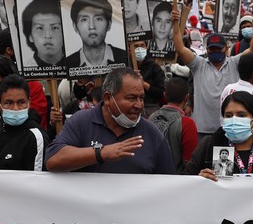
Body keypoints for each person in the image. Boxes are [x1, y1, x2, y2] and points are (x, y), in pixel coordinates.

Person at [44, 67, 176, 174]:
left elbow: (169, 183)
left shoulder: (151, 132)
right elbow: (52, 160)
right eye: (131, 98)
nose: (138, 105)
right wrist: (101, 153)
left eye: (141, 98)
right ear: (107, 98)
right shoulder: (81, 122)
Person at [172, 8, 253, 138]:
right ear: (207, 50)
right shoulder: (198, 64)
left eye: (218, 48)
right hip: (202, 130)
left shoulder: (234, 63)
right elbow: (180, 48)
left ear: (225, 48)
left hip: (229, 128)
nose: (215, 51)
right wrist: (175, 24)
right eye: (211, 49)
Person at [186, 91, 253, 183]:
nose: (233, 120)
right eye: (228, 115)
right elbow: (184, 179)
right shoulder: (208, 145)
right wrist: (199, 179)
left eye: (241, 115)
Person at [0, 75, 50, 171]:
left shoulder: (36, 138)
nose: (15, 108)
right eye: (9, 103)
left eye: (21, 102)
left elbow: (37, 180)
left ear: (29, 102)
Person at [63, 0, 128, 70]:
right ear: (75, 26)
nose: (91, 26)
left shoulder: (124, 58)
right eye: (84, 20)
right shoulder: (68, 64)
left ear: (109, 24)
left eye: (98, 19)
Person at [149, 77, 198, 173]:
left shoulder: (151, 118)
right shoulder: (187, 123)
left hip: (152, 177)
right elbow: (190, 162)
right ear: (187, 97)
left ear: (164, 96)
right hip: (177, 180)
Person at [23, 0, 64, 67]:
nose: (48, 36)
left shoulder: (77, 65)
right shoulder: (23, 68)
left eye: (55, 28)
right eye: (40, 28)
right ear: (30, 36)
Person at [131, 40, 165, 117]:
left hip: (150, 107)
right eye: (136, 46)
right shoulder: (127, 65)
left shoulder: (154, 66)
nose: (139, 49)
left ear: (146, 47)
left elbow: (160, 92)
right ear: (130, 49)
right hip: (131, 107)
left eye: (142, 45)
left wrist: (143, 83)